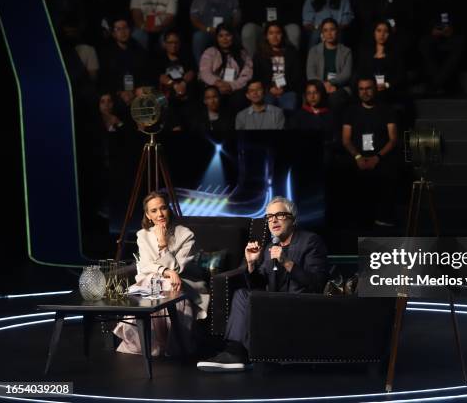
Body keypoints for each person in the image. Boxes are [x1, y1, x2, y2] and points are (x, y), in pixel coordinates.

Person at [196, 196, 328, 372]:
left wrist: (287, 262)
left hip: (300, 303)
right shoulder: (268, 249)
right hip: (274, 304)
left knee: (244, 296)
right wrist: (251, 264)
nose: (273, 220)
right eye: (269, 217)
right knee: (242, 294)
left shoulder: (310, 241)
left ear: (292, 218)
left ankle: (237, 354)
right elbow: (258, 284)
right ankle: (235, 352)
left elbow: (317, 283)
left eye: (279, 215)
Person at [114, 191, 207, 357]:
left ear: (168, 209)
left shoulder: (186, 235)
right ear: (148, 215)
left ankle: (172, 344)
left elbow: (178, 269)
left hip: (184, 281)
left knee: (165, 283)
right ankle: (153, 343)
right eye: (154, 211)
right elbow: (145, 266)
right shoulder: (142, 235)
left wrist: (163, 245)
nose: (160, 214)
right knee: (157, 282)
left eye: (163, 208)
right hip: (154, 280)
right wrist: (165, 271)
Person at [341, 77, 399, 227]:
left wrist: (377, 157)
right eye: (361, 89)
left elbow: (393, 139)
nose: (365, 92)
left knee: (388, 172)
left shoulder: (386, 110)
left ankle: (384, 217)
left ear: (375, 89)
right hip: (358, 156)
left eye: (368, 88)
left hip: (380, 156)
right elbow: (346, 139)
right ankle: (358, 218)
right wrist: (358, 157)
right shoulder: (351, 111)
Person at [199, 23, 253, 112]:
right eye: (221, 36)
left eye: (228, 35)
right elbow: (205, 72)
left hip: (235, 89)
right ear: (216, 38)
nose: (224, 39)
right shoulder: (210, 52)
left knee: (240, 98)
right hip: (215, 87)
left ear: (233, 36)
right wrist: (218, 83)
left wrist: (231, 86)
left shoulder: (243, 53)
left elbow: (247, 74)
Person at [418, 0, 466, 95]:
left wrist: (452, 30)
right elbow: (421, 20)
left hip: (452, 36)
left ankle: (435, 84)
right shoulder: (427, 1)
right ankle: (440, 82)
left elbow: (465, 20)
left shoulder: (459, 1)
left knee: (460, 43)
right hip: (433, 35)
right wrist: (432, 30)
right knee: (424, 43)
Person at [99, 17, 152, 106]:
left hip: (137, 91)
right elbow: (105, 78)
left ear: (130, 30)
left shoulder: (139, 50)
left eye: (125, 28)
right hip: (116, 93)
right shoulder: (107, 53)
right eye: (118, 29)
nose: (123, 32)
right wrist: (120, 92)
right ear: (113, 34)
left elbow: (146, 74)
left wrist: (134, 91)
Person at [253, 21, 302, 112]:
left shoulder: (292, 52)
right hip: (267, 91)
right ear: (266, 36)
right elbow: (257, 76)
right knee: (268, 109)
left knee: (289, 107)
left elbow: (297, 76)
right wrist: (269, 88)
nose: (275, 37)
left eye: (278, 33)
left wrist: (284, 88)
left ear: (282, 35)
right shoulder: (259, 54)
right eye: (271, 33)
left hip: (288, 90)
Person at [306, 18, 352, 115]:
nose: (329, 33)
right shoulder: (314, 50)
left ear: (337, 31)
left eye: (332, 29)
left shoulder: (346, 51)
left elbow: (346, 74)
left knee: (334, 99)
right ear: (322, 33)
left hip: (339, 88)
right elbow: (310, 74)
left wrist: (331, 83)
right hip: (319, 87)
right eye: (325, 30)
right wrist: (323, 85)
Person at [240, 0, 304, 56]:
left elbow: (293, 16)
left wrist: (278, 24)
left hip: (282, 26)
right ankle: (250, 64)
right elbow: (250, 15)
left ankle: (291, 62)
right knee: (248, 30)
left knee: (294, 29)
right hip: (261, 26)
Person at [358, 20, 405, 101]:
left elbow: (401, 76)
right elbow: (361, 74)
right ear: (374, 33)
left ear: (389, 34)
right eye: (379, 30)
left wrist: (387, 85)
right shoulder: (366, 54)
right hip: (370, 90)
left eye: (385, 31)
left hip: (389, 91)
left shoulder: (395, 54)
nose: (382, 34)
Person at [190, 0, 241, 65]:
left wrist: (227, 29)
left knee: (236, 37)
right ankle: (201, 68)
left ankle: (235, 66)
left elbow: (237, 17)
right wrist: (207, 29)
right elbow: (194, 19)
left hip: (226, 30)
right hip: (208, 31)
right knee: (198, 37)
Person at [156, 30, 197, 100]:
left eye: (176, 42)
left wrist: (183, 83)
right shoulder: (159, 58)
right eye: (170, 42)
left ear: (180, 43)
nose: (173, 45)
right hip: (168, 94)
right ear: (164, 44)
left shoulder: (186, 56)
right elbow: (160, 76)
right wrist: (174, 85)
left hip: (185, 91)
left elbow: (192, 72)